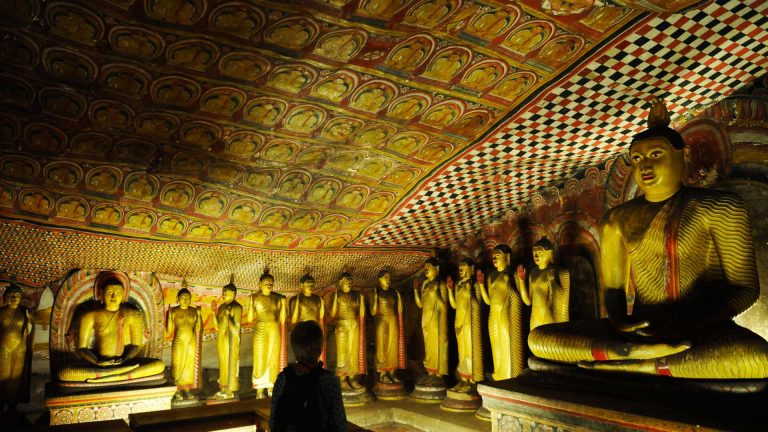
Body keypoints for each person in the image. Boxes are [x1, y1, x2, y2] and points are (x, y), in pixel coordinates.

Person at [529, 99, 768, 378]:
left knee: (759, 357)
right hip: (641, 329)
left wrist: (693, 322)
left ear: (684, 154)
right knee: (539, 338)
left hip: (700, 329)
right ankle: (630, 353)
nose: (645, 165)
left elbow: (744, 288)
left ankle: (643, 364)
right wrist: (621, 322)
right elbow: (614, 291)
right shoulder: (616, 220)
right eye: (637, 159)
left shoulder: (720, 207)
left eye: (656, 154)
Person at [56, 272, 166, 384]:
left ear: (123, 295)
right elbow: (82, 348)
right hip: (98, 365)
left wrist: (125, 359)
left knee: (159, 365)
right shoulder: (89, 316)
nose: (114, 297)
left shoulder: (134, 315)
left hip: (125, 363)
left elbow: (136, 346)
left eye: (118, 293)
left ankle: (108, 377)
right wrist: (97, 362)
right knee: (64, 373)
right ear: (101, 294)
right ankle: (119, 377)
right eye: (109, 292)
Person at [270, 320, 347, 432]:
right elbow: (339, 423)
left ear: (293, 349)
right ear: (320, 349)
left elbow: (273, 422)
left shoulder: (283, 379)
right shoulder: (329, 380)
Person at [478, 245, 525, 380]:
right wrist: (481, 284)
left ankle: (509, 375)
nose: (494, 258)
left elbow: (519, 298)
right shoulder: (491, 276)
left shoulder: (512, 274)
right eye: (493, 256)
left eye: (498, 255)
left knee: (507, 343)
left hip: (506, 313)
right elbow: (488, 301)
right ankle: (498, 373)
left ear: (507, 257)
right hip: (493, 315)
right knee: (496, 345)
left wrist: (520, 281)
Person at [516, 237, 570, 331]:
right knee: (534, 340)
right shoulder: (533, 273)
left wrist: (552, 280)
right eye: (534, 253)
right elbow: (528, 301)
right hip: (534, 318)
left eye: (539, 252)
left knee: (549, 340)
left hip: (549, 317)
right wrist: (521, 280)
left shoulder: (560, 272)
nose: (536, 256)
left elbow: (563, 299)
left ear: (550, 253)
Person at [248, 271, 286, 398]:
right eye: (266, 283)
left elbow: (282, 319)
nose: (269, 285)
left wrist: (283, 305)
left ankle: (271, 388)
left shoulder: (277, 298)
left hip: (274, 330)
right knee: (260, 358)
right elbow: (250, 319)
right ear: (260, 284)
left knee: (273, 358)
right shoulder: (254, 297)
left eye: (271, 283)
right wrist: (250, 305)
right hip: (261, 330)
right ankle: (259, 391)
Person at [447, 259, 483, 391]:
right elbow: (454, 305)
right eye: (460, 267)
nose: (461, 269)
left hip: (470, 321)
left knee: (470, 349)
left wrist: (477, 285)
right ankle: (463, 379)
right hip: (459, 321)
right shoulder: (458, 284)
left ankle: (472, 380)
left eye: (464, 267)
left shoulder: (474, 284)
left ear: (471, 268)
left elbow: (478, 303)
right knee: (461, 350)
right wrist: (450, 290)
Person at [413, 259, 448, 382]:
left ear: (436, 268)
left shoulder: (441, 284)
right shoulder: (425, 283)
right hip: (426, 319)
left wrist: (436, 293)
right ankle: (430, 371)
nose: (426, 269)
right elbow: (420, 304)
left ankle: (438, 373)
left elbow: (444, 306)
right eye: (425, 267)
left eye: (429, 266)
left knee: (437, 344)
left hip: (436, 319)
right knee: (428, 346)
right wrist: (416, 291)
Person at [329, 272, 365, 390]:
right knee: (342, 352)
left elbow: (361, 313)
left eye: (350, 281)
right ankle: (342, 379)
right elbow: (333, 314)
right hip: (342, 324)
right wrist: (335, 297)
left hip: (354, 324)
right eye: (346, 281)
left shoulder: (356, 295)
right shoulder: (338, 295)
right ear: (341, 283)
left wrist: (362, 300)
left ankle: (352, 378)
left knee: (353, 351)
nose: (349, 283)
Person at [166, 287, 202, 401]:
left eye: (188, 297)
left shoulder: (194, 311)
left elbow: (198, 328)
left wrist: (199, 315)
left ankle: (186, 389)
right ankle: (177, 389)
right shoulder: (174, 311)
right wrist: (169, 315)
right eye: (183, 297)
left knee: (189, 366)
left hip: (191, 342)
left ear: (190, 299)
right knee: (177, 364)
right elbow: (169, 331)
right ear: (178, 299)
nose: (185, 300)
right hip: (179, 341)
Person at [0, 285, 32, 410]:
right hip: (3, 346)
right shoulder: (1, 313)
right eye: (11, 295)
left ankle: (12, 403)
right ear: (6, 297)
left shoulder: (23, 312)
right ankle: (2, 401)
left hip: (20, 347)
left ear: (21, 298)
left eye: (17, 295)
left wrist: (29, 320)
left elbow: (29, 330)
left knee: (16, 375)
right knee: (3, 374)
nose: (14, 297)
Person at [370, 270, 404, 384]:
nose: (388, 280)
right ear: (379, 280)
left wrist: (399, 298)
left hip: (392, 319)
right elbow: (373, 312)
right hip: (382, 320)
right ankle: (383, 373)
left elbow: (399, 310)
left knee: (393, 345)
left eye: (389, 278)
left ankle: (392, 372)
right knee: (382, 346)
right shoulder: (377, 292)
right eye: (385, 277)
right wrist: (375, 297)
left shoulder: (393, 292)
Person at [212, 281, 242, 399]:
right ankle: (223, 388)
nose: (224, 295)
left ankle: (230, 391)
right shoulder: (221, 307)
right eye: (223, 292)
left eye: (226, 293)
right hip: (221, 339)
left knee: (231, 364)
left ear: (234, 294)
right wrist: (213, 313)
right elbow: (217, 327)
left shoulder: (237, 307)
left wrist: (229, 316)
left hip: (231, 341)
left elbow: (235, 330)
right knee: (223, 364)